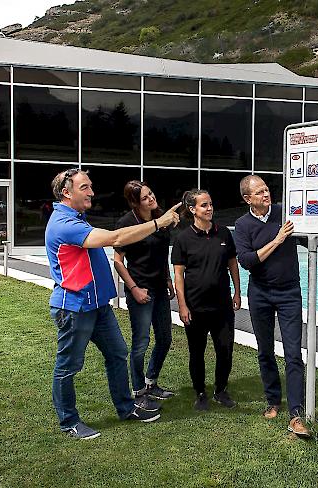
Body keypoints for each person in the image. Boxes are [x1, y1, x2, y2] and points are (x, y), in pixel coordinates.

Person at [45, 168, 180, 439]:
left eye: (91, 186)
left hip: (98, 306)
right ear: (66, 193)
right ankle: (69, 422)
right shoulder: (64, 223)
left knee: (118, 354)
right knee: (68, 366)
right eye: (85, 187)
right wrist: (158, 223)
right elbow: (116, 239)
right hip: (75, 307)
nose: (92, 192)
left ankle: (126, 407)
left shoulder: (77, 218)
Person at [233, 175, 310, 438]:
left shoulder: (284, 213)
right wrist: (277, 240)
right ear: (247, 199)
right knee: (265, 350)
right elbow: (247, 261)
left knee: (293, 354)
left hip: (289, 292)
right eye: (260, 192)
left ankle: (296, 413)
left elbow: (309, 233)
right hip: (261, 294)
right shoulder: (243, 225)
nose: (266, 194)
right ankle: (273, 400)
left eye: (266, 189)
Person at [172, 189, 241, 411]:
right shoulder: (183, 238)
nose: (209, 208)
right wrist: (182, 305)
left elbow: (232, 264)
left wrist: (237, 292)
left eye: (210, 204)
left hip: (222, 306)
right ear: (193, 209)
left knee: (225, 349)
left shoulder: (224, 234)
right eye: (204, 205)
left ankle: (221, 390)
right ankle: (200, 392)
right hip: (195, 307)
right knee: (197, 352)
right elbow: (179, 275)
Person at [114, 181, 176, 411]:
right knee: (141, 343)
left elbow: (162, 255)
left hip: (160, 287)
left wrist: (168, 280)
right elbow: (118, 261)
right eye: (145, 198)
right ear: (134, 203)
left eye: (151, 193)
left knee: (165, 339)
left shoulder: (160, 218)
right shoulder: (127, 223)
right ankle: (138, 391)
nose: (151, 199)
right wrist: (133, 288)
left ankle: (151, 381)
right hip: (141, 289)